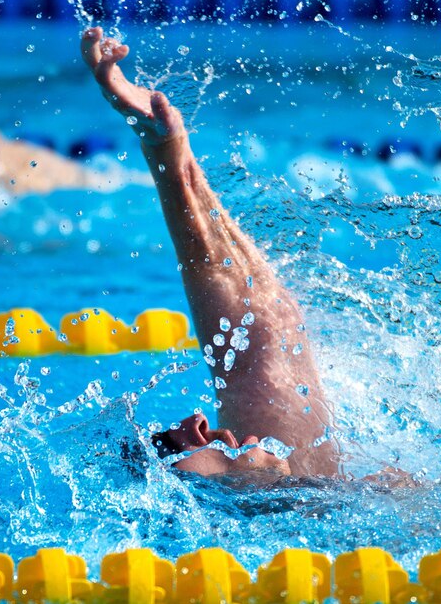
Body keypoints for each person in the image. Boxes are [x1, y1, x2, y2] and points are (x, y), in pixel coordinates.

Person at [80, 27, 341, 481]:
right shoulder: (314, 520)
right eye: (171, 448)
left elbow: (260, 332)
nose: (196, 423)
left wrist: (167, 153)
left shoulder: (306, 485)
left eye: (167, 436)